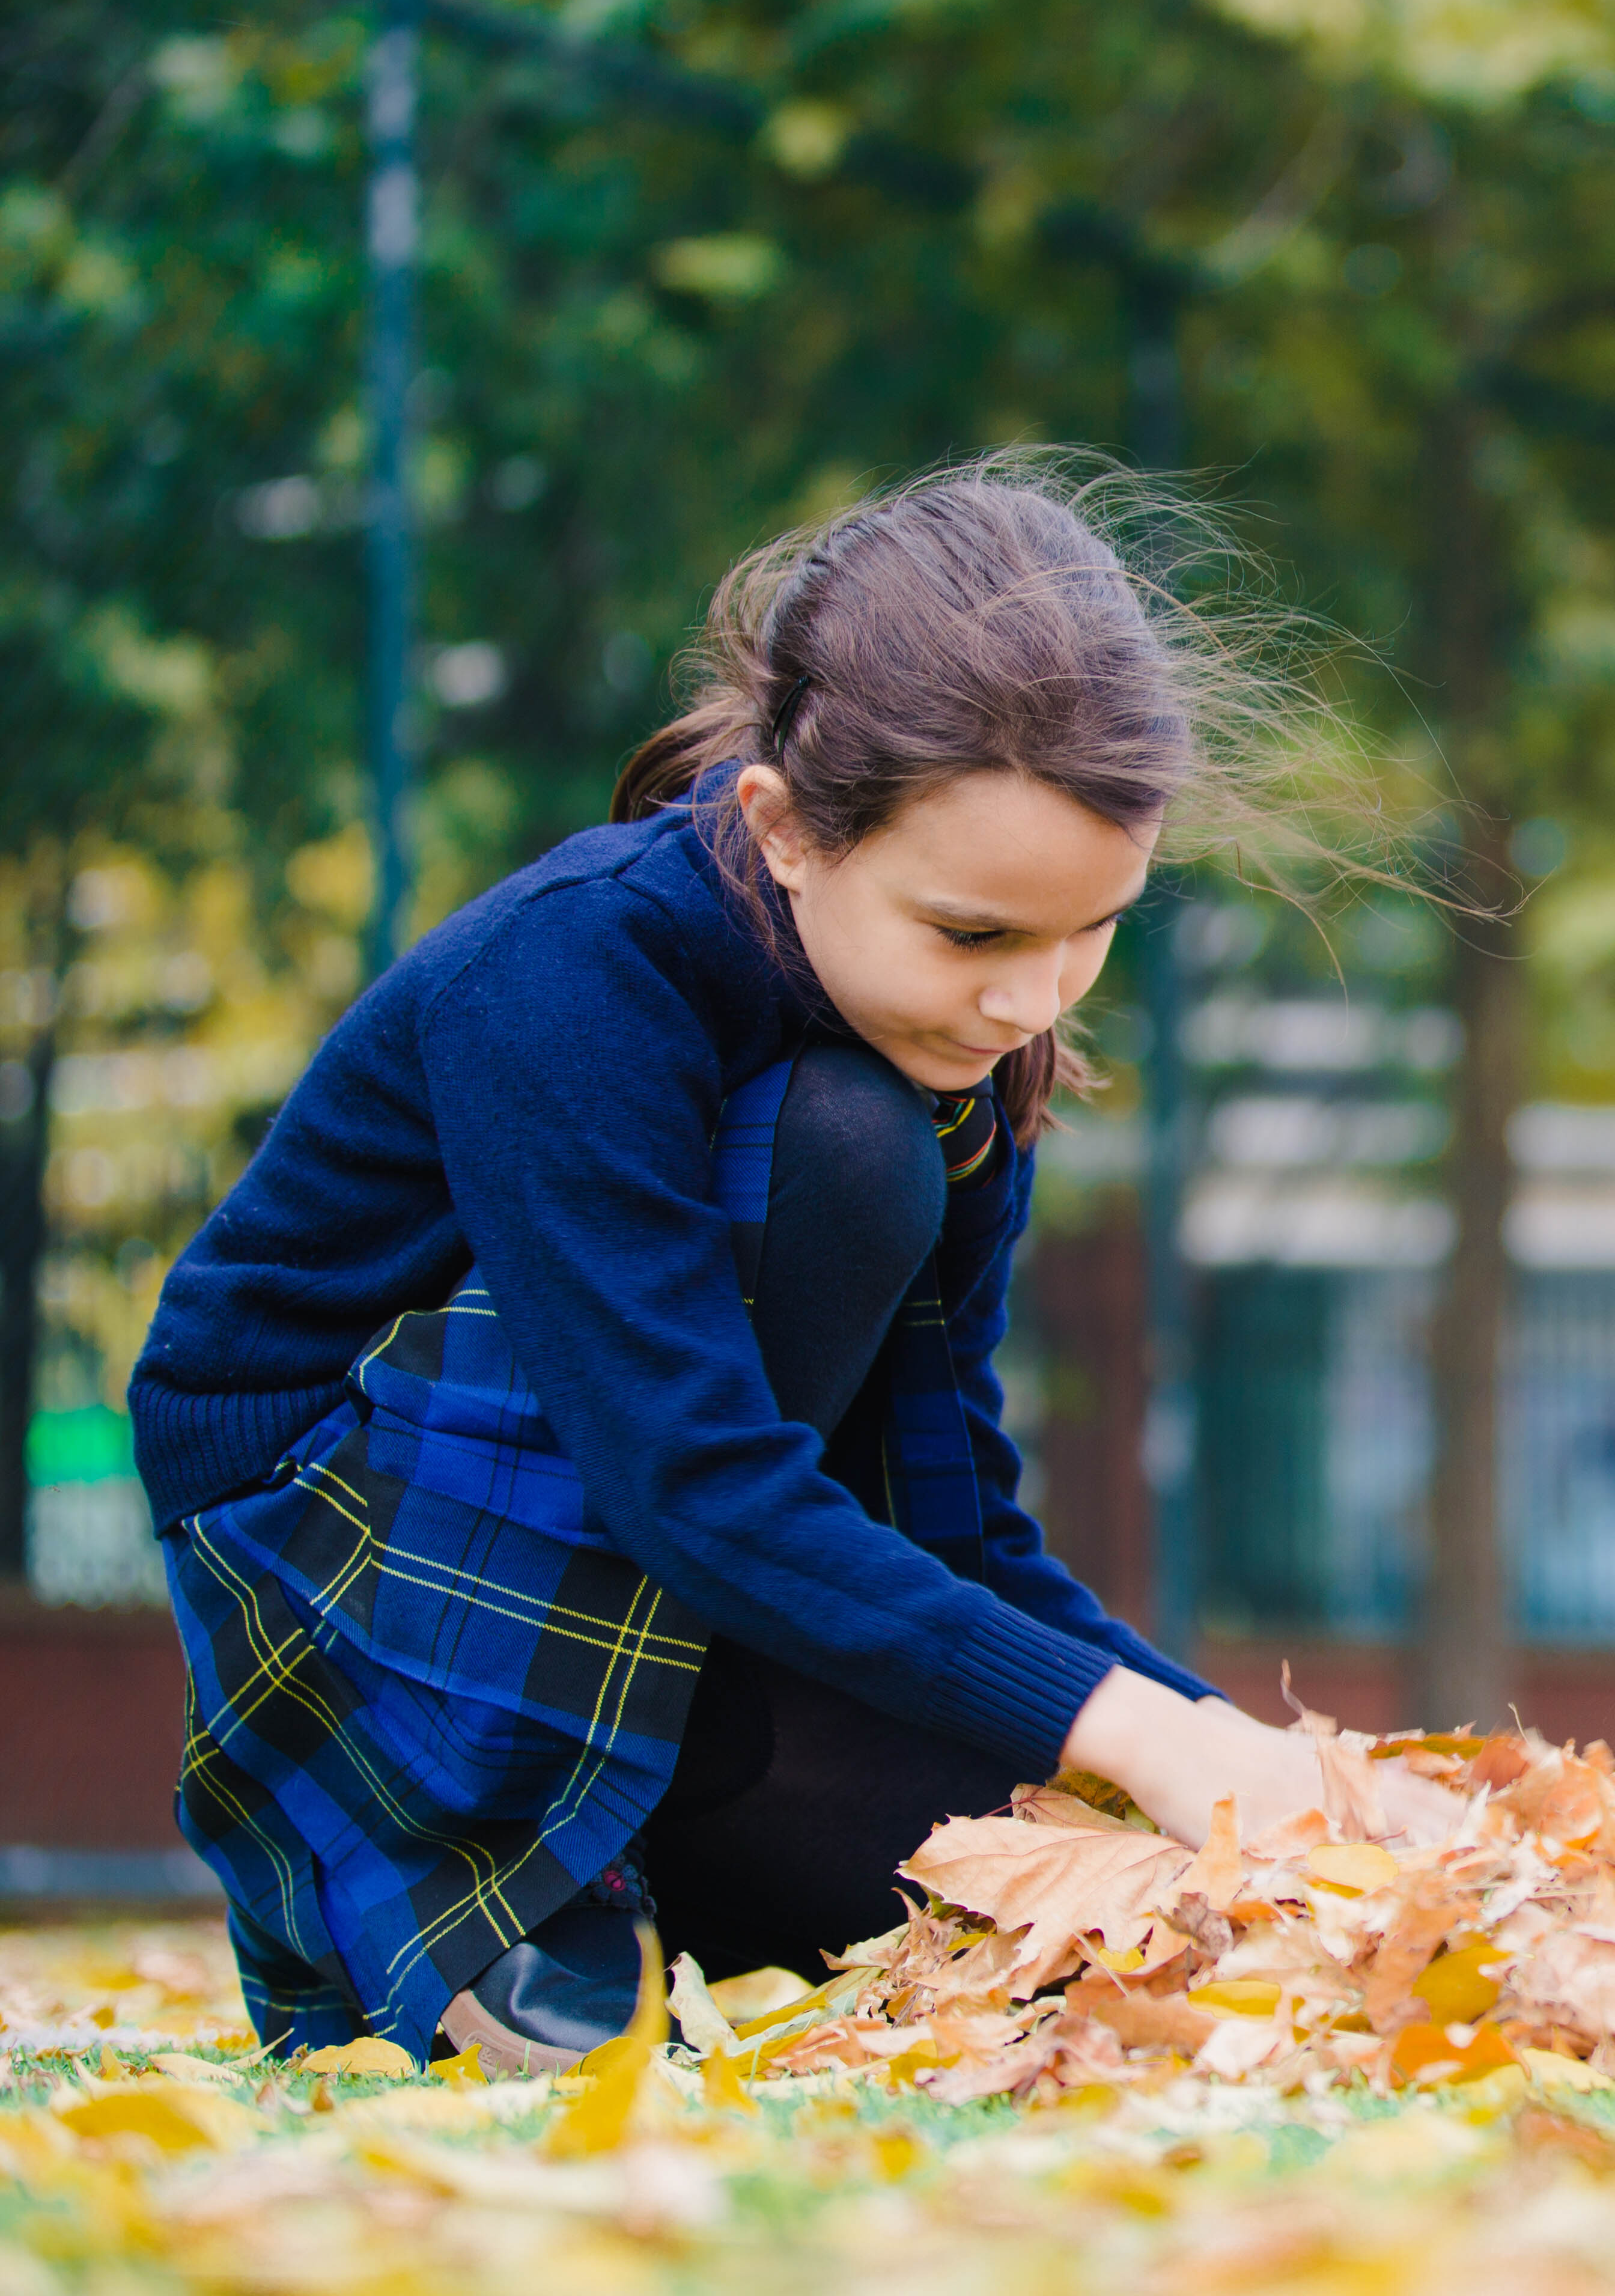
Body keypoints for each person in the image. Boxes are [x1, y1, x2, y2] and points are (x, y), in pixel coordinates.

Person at [135, 457, 1446, 2069]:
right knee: (841, 1140)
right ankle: (489, 1884)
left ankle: (660, 1836)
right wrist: (1137, 1732)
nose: (1035, 998)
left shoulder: (960, 1050)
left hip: (674, 1547)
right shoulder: (572, 977)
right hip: (355, 1518)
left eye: (1091, 928)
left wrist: (1231, 1747)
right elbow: (688, 1476)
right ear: (787, 828)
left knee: (1054, 1898)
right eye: (975, 935)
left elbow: (955, 1514)